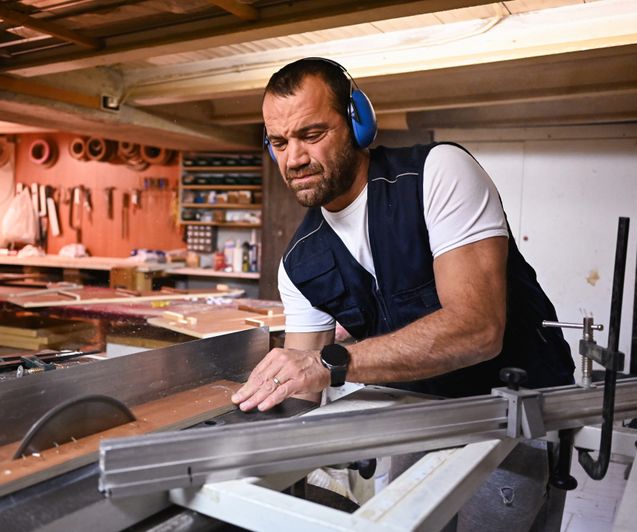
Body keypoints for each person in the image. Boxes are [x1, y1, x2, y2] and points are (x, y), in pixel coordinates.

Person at [230, 57, 576, 530]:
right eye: (279, 142)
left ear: (358, 122)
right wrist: (236, 450)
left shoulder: (435, 175)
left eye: (312, 134)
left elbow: (478, 329)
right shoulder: (300, 263)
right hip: (416, 414)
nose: (294, 159)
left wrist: (330, 364)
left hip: (512, 413)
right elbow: (302, 391)